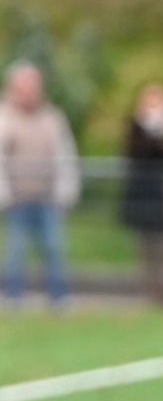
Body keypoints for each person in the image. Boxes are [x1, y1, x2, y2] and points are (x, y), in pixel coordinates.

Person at [0, 62, 79, 310]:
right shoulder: (4, 117)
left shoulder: (52, 117)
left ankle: (59, 297)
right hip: (17, 199)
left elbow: (66, 154)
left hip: (47, 198)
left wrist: (66, 190)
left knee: (54, 248)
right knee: (16, 251)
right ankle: (13, 297)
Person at [120, 82, 163, 305]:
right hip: (144, 196)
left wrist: (162, 131)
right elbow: (135, 152)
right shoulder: (135, 127)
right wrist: (148, 130)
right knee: (146, 248)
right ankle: (150, 292)